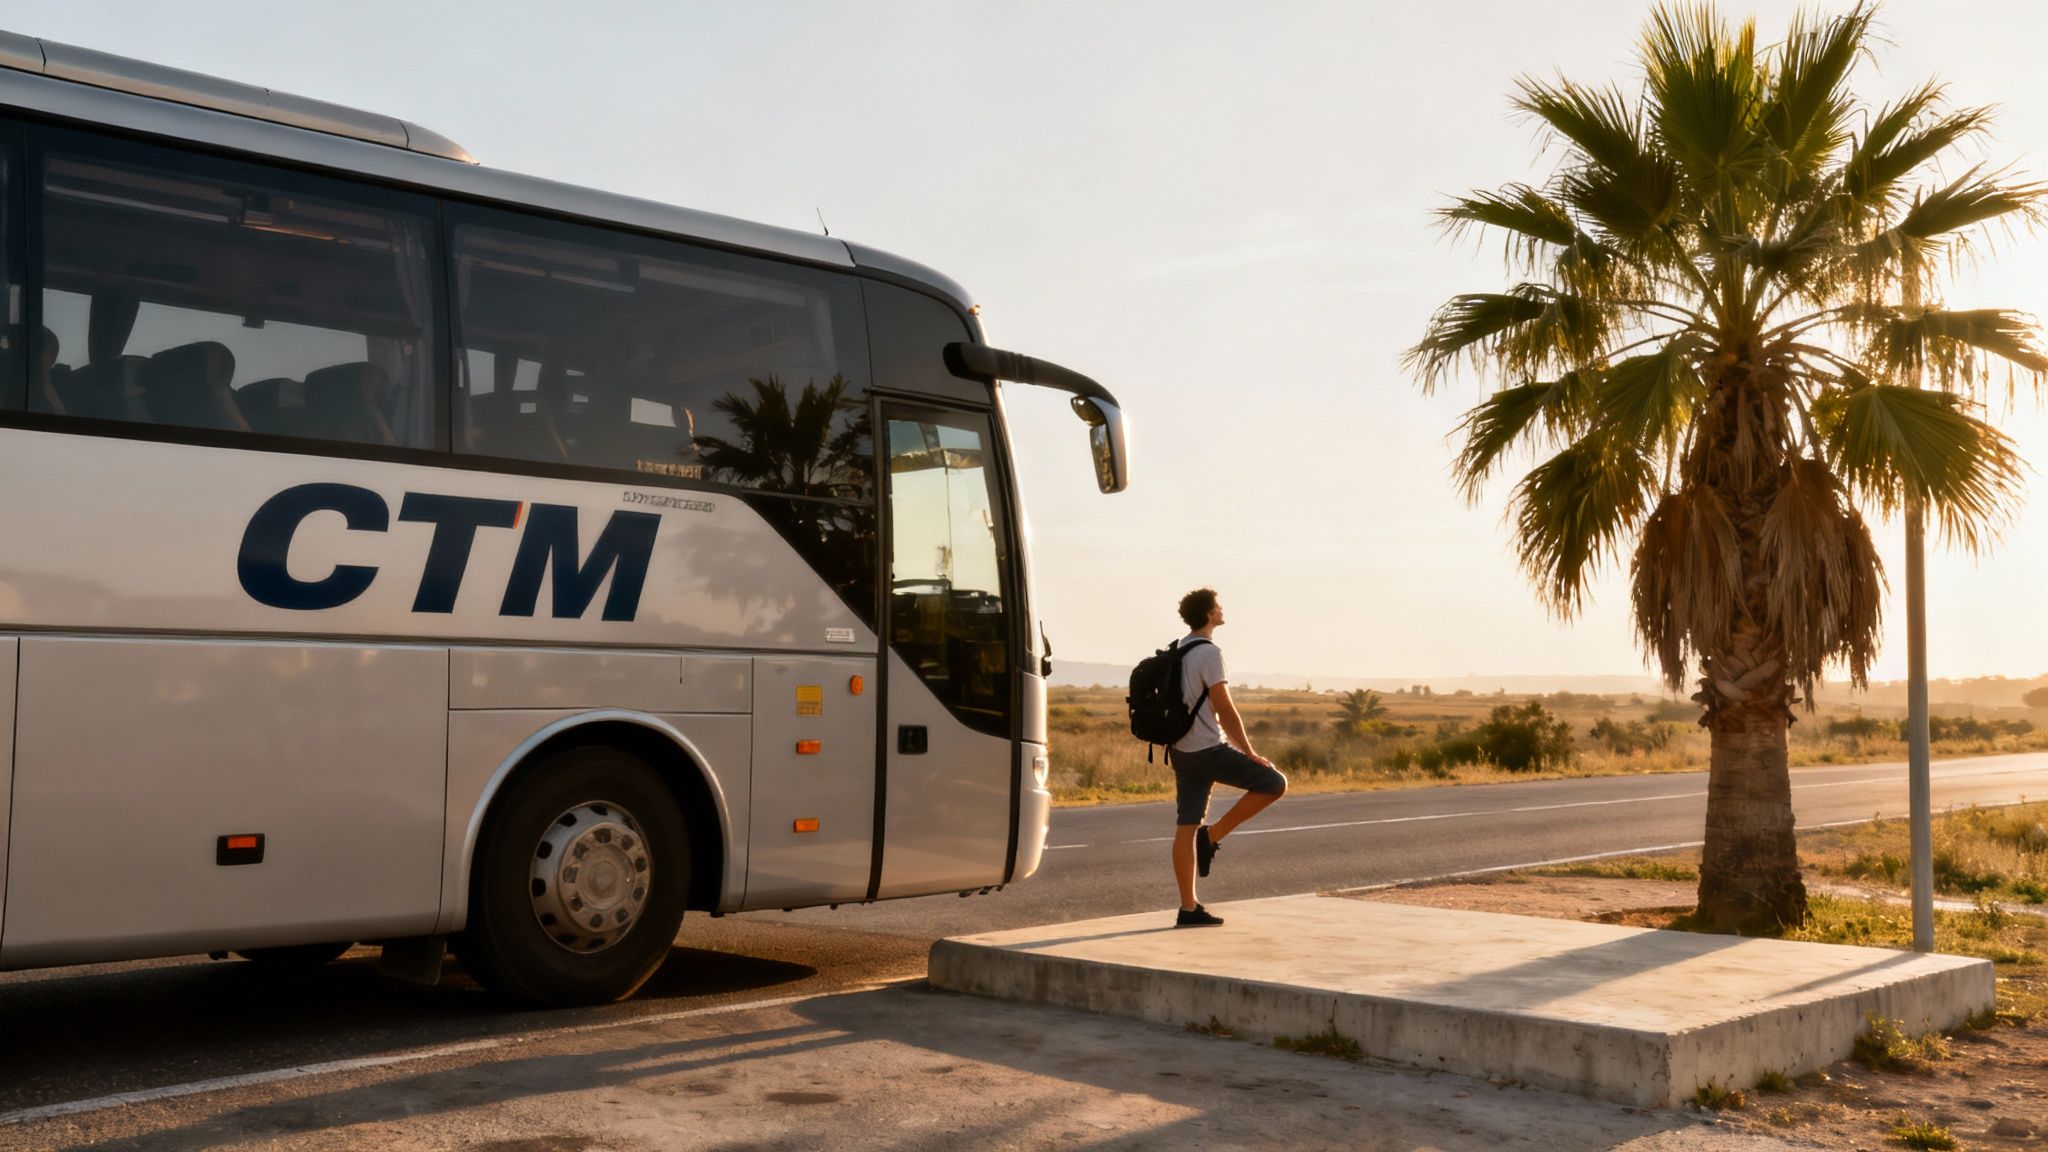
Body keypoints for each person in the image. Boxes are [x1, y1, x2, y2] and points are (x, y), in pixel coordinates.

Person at [1168, 588, 1287, 927]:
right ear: (1209, 614)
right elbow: (1224, 707)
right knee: (1273, 782)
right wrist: (1249, 752)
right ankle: (1214, 836)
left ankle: (1188, 909)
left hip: (1180, 750)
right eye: (1218, 606)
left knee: (1184, 826)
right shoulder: (1209, 652)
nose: (1222, 610)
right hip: (1206, 748)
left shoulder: (1179, 649)